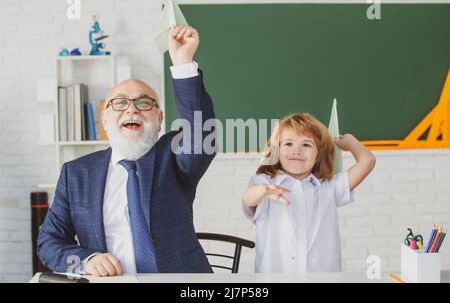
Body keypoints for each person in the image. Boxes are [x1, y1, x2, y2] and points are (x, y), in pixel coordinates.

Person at [37, 25, 216, 276]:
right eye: (120, 103)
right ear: (105, 118)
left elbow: (202, 134)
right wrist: (85, 261)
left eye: (144, 103)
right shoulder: (75, 174)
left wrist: (183, 62)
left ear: (160, 117)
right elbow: (49, 243)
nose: (131, 110)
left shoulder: (174, 156)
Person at [242, 113, 376, 272]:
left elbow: (367, 161)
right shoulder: (264, 183)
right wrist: (262, 191)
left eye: (306, 145)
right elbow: (248, 199)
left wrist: (351, 142)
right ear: (277, 150)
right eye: (288, 144)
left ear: (318, 155)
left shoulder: (329, 189)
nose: (296, 150)